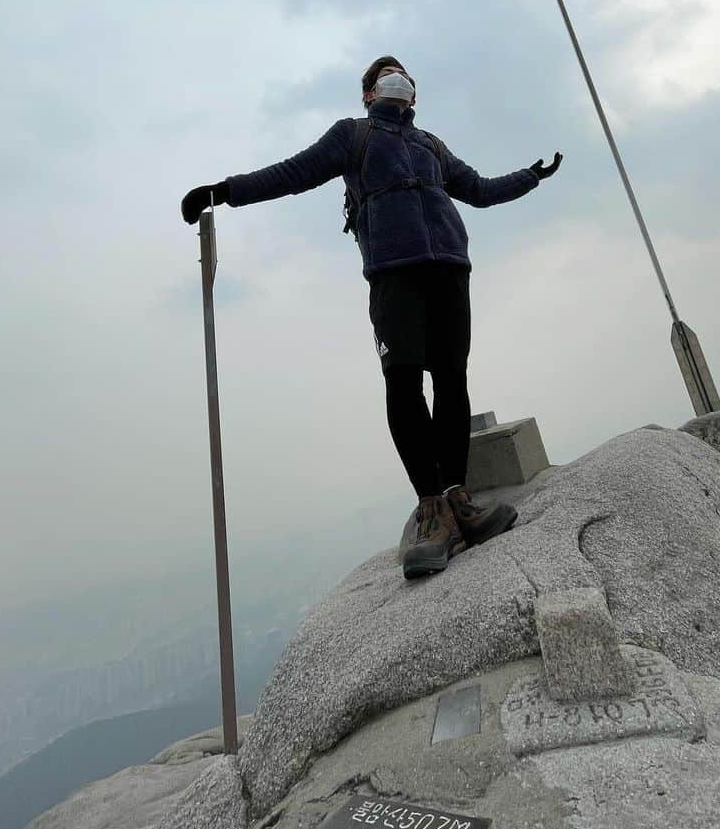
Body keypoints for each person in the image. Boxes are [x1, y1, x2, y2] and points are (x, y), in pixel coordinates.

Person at [181, 56, 562, 581]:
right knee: (404, 384)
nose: (396, 78)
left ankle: (458, 500)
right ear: (368, 94)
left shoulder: (431, 145)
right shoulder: (352, 137)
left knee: (452, 379)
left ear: (412, 95)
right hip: (392, 273)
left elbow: (478, 190)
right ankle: (432, 511)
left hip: (449, 266)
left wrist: (529, 177)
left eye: (402, 74)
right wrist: (223, 192)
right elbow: (292, 174)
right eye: (385, 74)